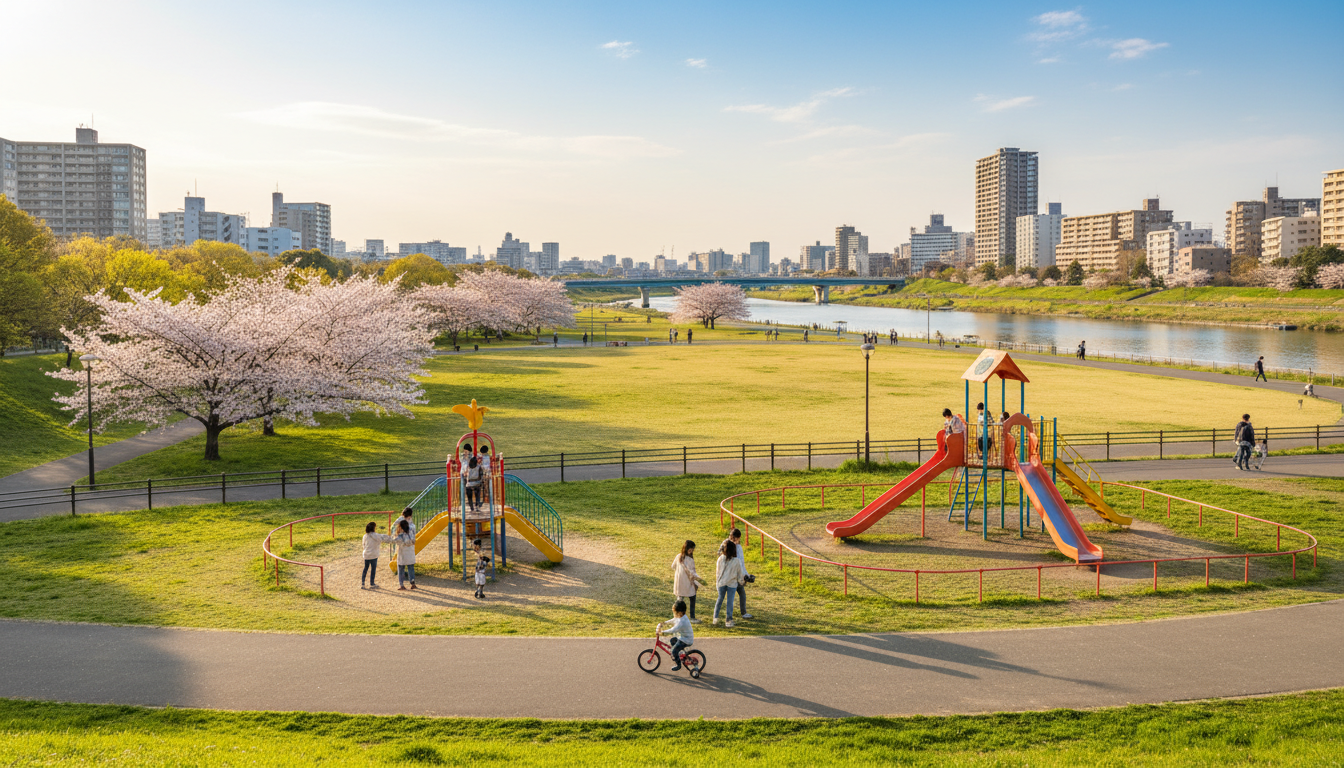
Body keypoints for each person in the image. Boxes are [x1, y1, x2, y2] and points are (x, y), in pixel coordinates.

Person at [719, 528, 753, 620]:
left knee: (737, 594)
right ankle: (732, 616)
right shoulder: (726, 544)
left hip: (733, 575)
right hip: (730, 576)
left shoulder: (738, 547)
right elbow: (721, 556)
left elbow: (741, 563)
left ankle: (718, 617)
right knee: (731, 596)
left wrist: (746, 575)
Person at [713, 540, 746, 627]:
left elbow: (718, 572)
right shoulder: (737, 561)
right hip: (732, 584)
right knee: (729, 602)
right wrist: (742, 582)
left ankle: (715, 618)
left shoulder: (720, 559)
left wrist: (717, 582)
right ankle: (728, 620)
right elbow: (740, 574)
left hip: (721, 582)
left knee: (719, 599)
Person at [659, 599, 696, 671]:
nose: (674, 614)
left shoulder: (681, 622)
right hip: (683, 637)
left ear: (680, 612)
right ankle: (678, 652)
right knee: (672, 640)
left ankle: (678, 664)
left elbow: (673, 630)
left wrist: (663, 632)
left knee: (673, 652)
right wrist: (664, 623)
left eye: (675, 612)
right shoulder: (681, 617)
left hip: (686, 640)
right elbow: (674, 619)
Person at [673, 540, 705, 622]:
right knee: (692, 598)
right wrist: (699, 579)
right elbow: (693, 573)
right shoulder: (690, 560)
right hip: (688, 583)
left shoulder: (678, 557)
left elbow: (673, 566)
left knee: (680, 599)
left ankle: (677, 616)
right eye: (691, 550)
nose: (691, 552)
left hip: (679, 583)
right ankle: (692, 617)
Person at [361, 521, 392, 589]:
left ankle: (363, 583)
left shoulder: (365, 536)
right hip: (374, 555)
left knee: (365, 568)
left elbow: (363, 545)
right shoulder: (377, 536)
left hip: (366, 554)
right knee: (373, 569)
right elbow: (383, 538)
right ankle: (372, 583)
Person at [393, 519, 417, 590]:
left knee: (401, 569)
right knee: (411, 568)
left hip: (402, 553)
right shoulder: (411, 533)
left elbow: (395, 540)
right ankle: (412, 583)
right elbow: (414, 541)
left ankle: (401, 584)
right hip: (410, 552)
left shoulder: (400, 535)